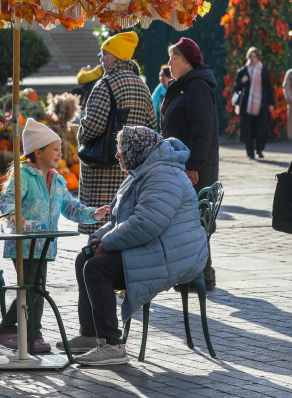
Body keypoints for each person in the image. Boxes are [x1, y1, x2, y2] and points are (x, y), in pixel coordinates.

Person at [56, 126, 208, 365]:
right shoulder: (144, 171)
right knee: (84, 259)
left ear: (135, 150)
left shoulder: (162, 174)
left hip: (175, 253)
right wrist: (99, 237)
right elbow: (123, 219)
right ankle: (91, 334)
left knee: (96, 269)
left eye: (121, 149)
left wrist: (107, 243)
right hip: (157, 244)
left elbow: (146, 223)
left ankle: (113, 346)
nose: (117, 154)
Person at [0, 118, 109, 352]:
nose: (59, 153)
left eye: (60, 149)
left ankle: (25, 332)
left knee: (36, 288)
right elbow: (7, 202)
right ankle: (21, 332)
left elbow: (70, 207)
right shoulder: (23, 175)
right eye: (55, 149)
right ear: (38, 151)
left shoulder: (56, 179)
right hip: (23, 243)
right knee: (34, 289)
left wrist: (92, 215)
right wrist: (16, 218)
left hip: (44, 245)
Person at [77, 31, 156, 236]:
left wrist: (80, 133)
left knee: (98, 230)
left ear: (117, 56)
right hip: (130, 171)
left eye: (105, 54)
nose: (101, 59)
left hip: (101, 169)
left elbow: (93, 125)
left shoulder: (105, 84)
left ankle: (93, 265)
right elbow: (152, 129)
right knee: (121, 228)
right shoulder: (143, 86)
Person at [161, 37, 220, 290]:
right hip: (184, 166)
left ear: (187, 62)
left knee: (192, 221)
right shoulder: (186, 85)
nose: (169, 63)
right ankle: (198, 275)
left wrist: (193, 164)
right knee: (190, 221)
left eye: (174, 58)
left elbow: (202, 129)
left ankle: (197, 277)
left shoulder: (196, 86)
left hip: (194, 169)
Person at [235, 47, 275, 159]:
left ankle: (259, 150)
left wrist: (271, 103)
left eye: (255, 56)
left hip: (261, 105)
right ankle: (250, 152)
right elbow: (236, 87)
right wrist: (242, 81)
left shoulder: (263, 70)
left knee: (261, 130)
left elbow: (269, 88)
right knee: (248, 130)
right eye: (251, 57)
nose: (253, 59)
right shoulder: (243, 71)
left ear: (258, 57)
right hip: (247, 106)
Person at [151, 65, 171, 131]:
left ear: (170, 77)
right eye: (160, 75)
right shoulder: (158, 90)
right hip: (158, 124)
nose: (161, 78)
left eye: (164, 76)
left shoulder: (172, 90)